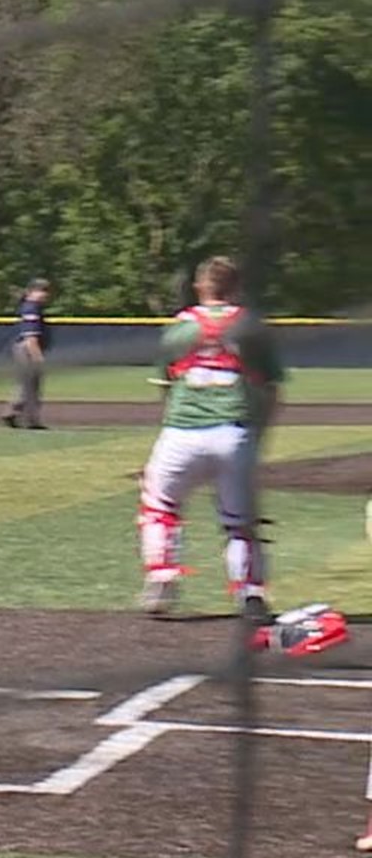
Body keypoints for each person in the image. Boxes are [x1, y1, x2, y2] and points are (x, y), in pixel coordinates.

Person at [136, 255, 284, 622]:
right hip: (234, 432)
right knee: (240, 522)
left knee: (160, 508)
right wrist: (257, 436)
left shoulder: (179, 329)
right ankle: (250, 594)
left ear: (201, 287)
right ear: (236, 288)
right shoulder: (251, 328)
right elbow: (272, 391)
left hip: (182, 432)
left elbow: (166, 389)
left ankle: (161, 577)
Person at [2, 277, 53, 429]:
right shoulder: (31, 308)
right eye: (43, 291)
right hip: (27, 349)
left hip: (24, 348)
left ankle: (11, 412)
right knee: (32, 385)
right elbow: (31, 336)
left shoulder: (30, 307)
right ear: (33, 291)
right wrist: (37, 356)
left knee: (25, 383)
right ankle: (31, 420)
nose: (46, 295)